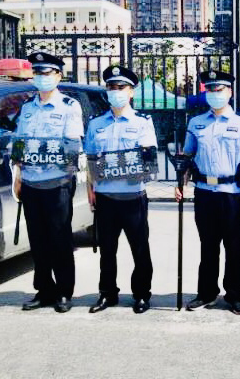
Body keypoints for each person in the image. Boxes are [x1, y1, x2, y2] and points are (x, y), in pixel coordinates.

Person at [176, 69, 240, 315]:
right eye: (209, 89)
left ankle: (234, 295)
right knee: (208, 246)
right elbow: (187, 157)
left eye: (218, 89)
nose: (214, 93)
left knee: (234, 246)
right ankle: (206, 293)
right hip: (204, 193)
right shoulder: (196, 123)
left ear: (229, 92)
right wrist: (181, 184)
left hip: (232, 193)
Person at [12, 51, 83, 314]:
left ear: (58, 76)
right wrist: (18, 174)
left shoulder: (69, 106)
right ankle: (44, 289)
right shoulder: (27, 107)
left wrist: (43, 154)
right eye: (37, 72)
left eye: (46, 73)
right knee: (38, 241)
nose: (41, 77)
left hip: (57, 183)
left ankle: (64, 291)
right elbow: (20, 142)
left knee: (59, 239)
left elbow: (72, 146)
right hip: (31, 183)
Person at [85, 65, 157, 314]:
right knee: (107, 250)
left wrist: (118, 166)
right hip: (105, 197)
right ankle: (107, 293)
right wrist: (90, 188)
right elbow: (90, 159)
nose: (115, 91)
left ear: (131, 92)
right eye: (111, 87)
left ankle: (142, 294)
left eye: (121, 87)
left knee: (140, 248)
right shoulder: (96, 124)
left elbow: (148, 161)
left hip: (133, 196)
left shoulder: (142, 122)